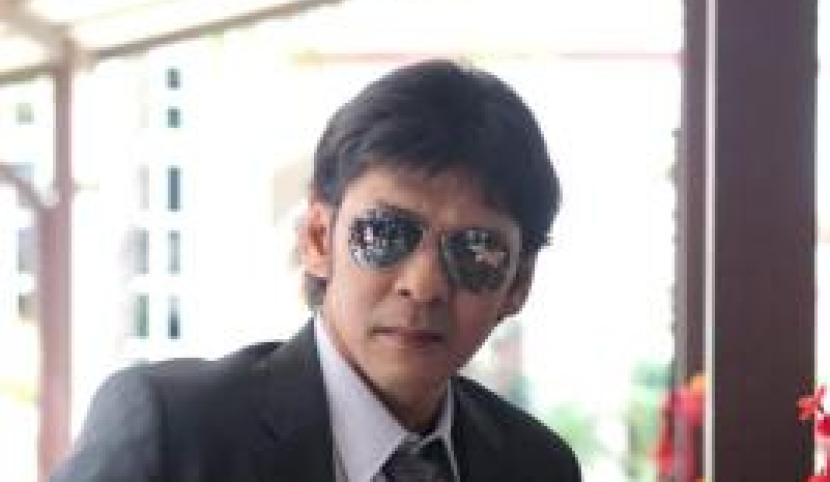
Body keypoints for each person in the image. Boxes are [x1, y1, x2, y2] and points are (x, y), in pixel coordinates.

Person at [49, 59, 581, 482]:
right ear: (318, 238)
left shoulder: (537, 466)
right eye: (385, 234)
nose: (422, 286)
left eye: (475, 250)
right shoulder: (176, 430)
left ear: (519, 283)